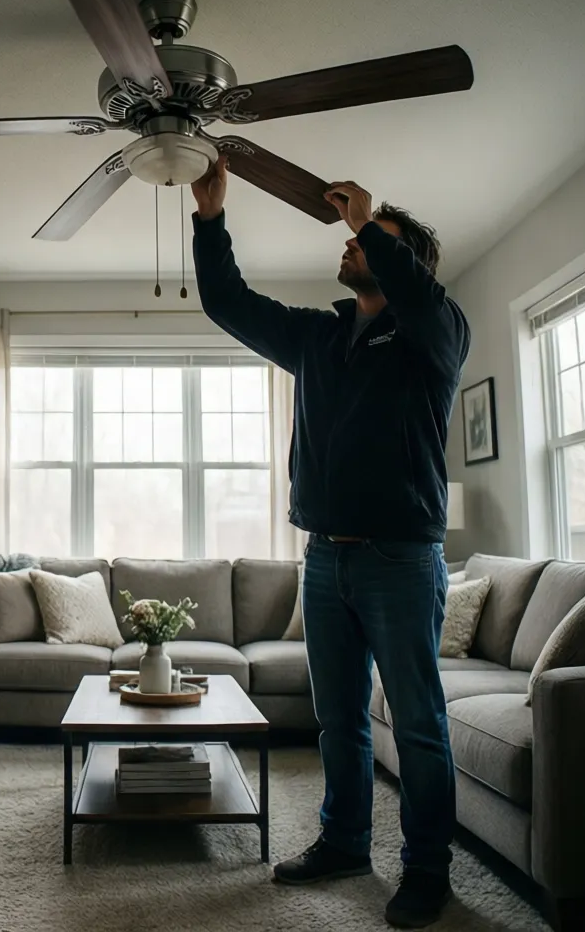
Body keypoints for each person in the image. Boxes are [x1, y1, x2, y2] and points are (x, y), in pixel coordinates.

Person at [191, 157, 470, 930]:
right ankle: (345, 843)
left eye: (371, 240)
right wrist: (210, 219)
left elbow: (421, 297)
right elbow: (228, 302)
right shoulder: (318, 337)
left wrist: (369, 223)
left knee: (417, 724)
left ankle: (427, 869)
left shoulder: (435, 335)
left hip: (400, 561)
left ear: (405, 261)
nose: (350, 244)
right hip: (324, 558)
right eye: (356, 237)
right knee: (337, 719)